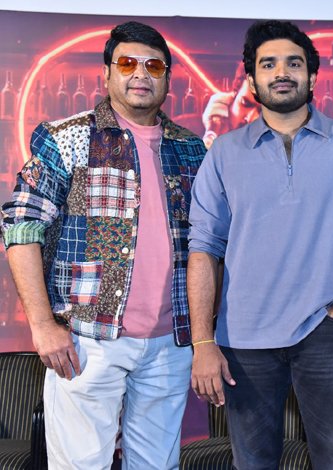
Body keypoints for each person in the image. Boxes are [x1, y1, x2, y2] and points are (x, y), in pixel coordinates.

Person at [187, 20, 333, 469]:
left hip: (326, 331)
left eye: (293, 63)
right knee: (253, 462)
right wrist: (203, 340)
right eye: (268, 64)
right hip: (244, 337)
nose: (281, 72)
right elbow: (203, 247)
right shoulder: (224, 153)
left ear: (312, 76)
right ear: (251, 80)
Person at [0, 21, 206, 469]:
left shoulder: (191, 149)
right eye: (127, 63)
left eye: (154, 66)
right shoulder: (67, 137)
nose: (141, 74)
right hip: (87, 338)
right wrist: (42, 324)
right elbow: (20, 226)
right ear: (107, 73)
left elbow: (208, 245)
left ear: (168, 78)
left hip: (170, 342)